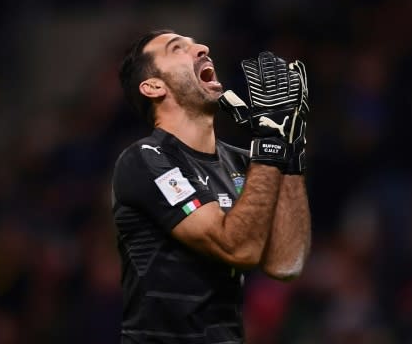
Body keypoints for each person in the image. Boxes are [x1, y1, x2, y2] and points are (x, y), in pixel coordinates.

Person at [112, 29, 311, 343]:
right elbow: (236, 247)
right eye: (178, 48)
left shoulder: (247, 163)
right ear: (153, 86)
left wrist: (290, 147)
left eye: (198, 44)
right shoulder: (145, 160)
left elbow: (287, 263)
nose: (203, 48)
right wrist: (270, 143)